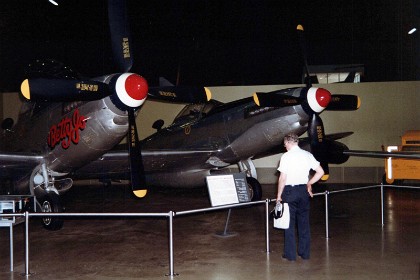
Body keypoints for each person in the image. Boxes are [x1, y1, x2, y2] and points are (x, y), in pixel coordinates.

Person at [276, 133, 324, 261]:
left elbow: (282, 178)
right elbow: (320, 172)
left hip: (290, 192)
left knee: (289, 223)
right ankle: (304, 253)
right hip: (303, 192)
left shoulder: (286, 157)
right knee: (304, 223)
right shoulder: (307, 155)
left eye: (285, 144)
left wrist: (278, 196)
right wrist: (309, 183)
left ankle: (290, 255)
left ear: (288, 143)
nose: (285, 147)